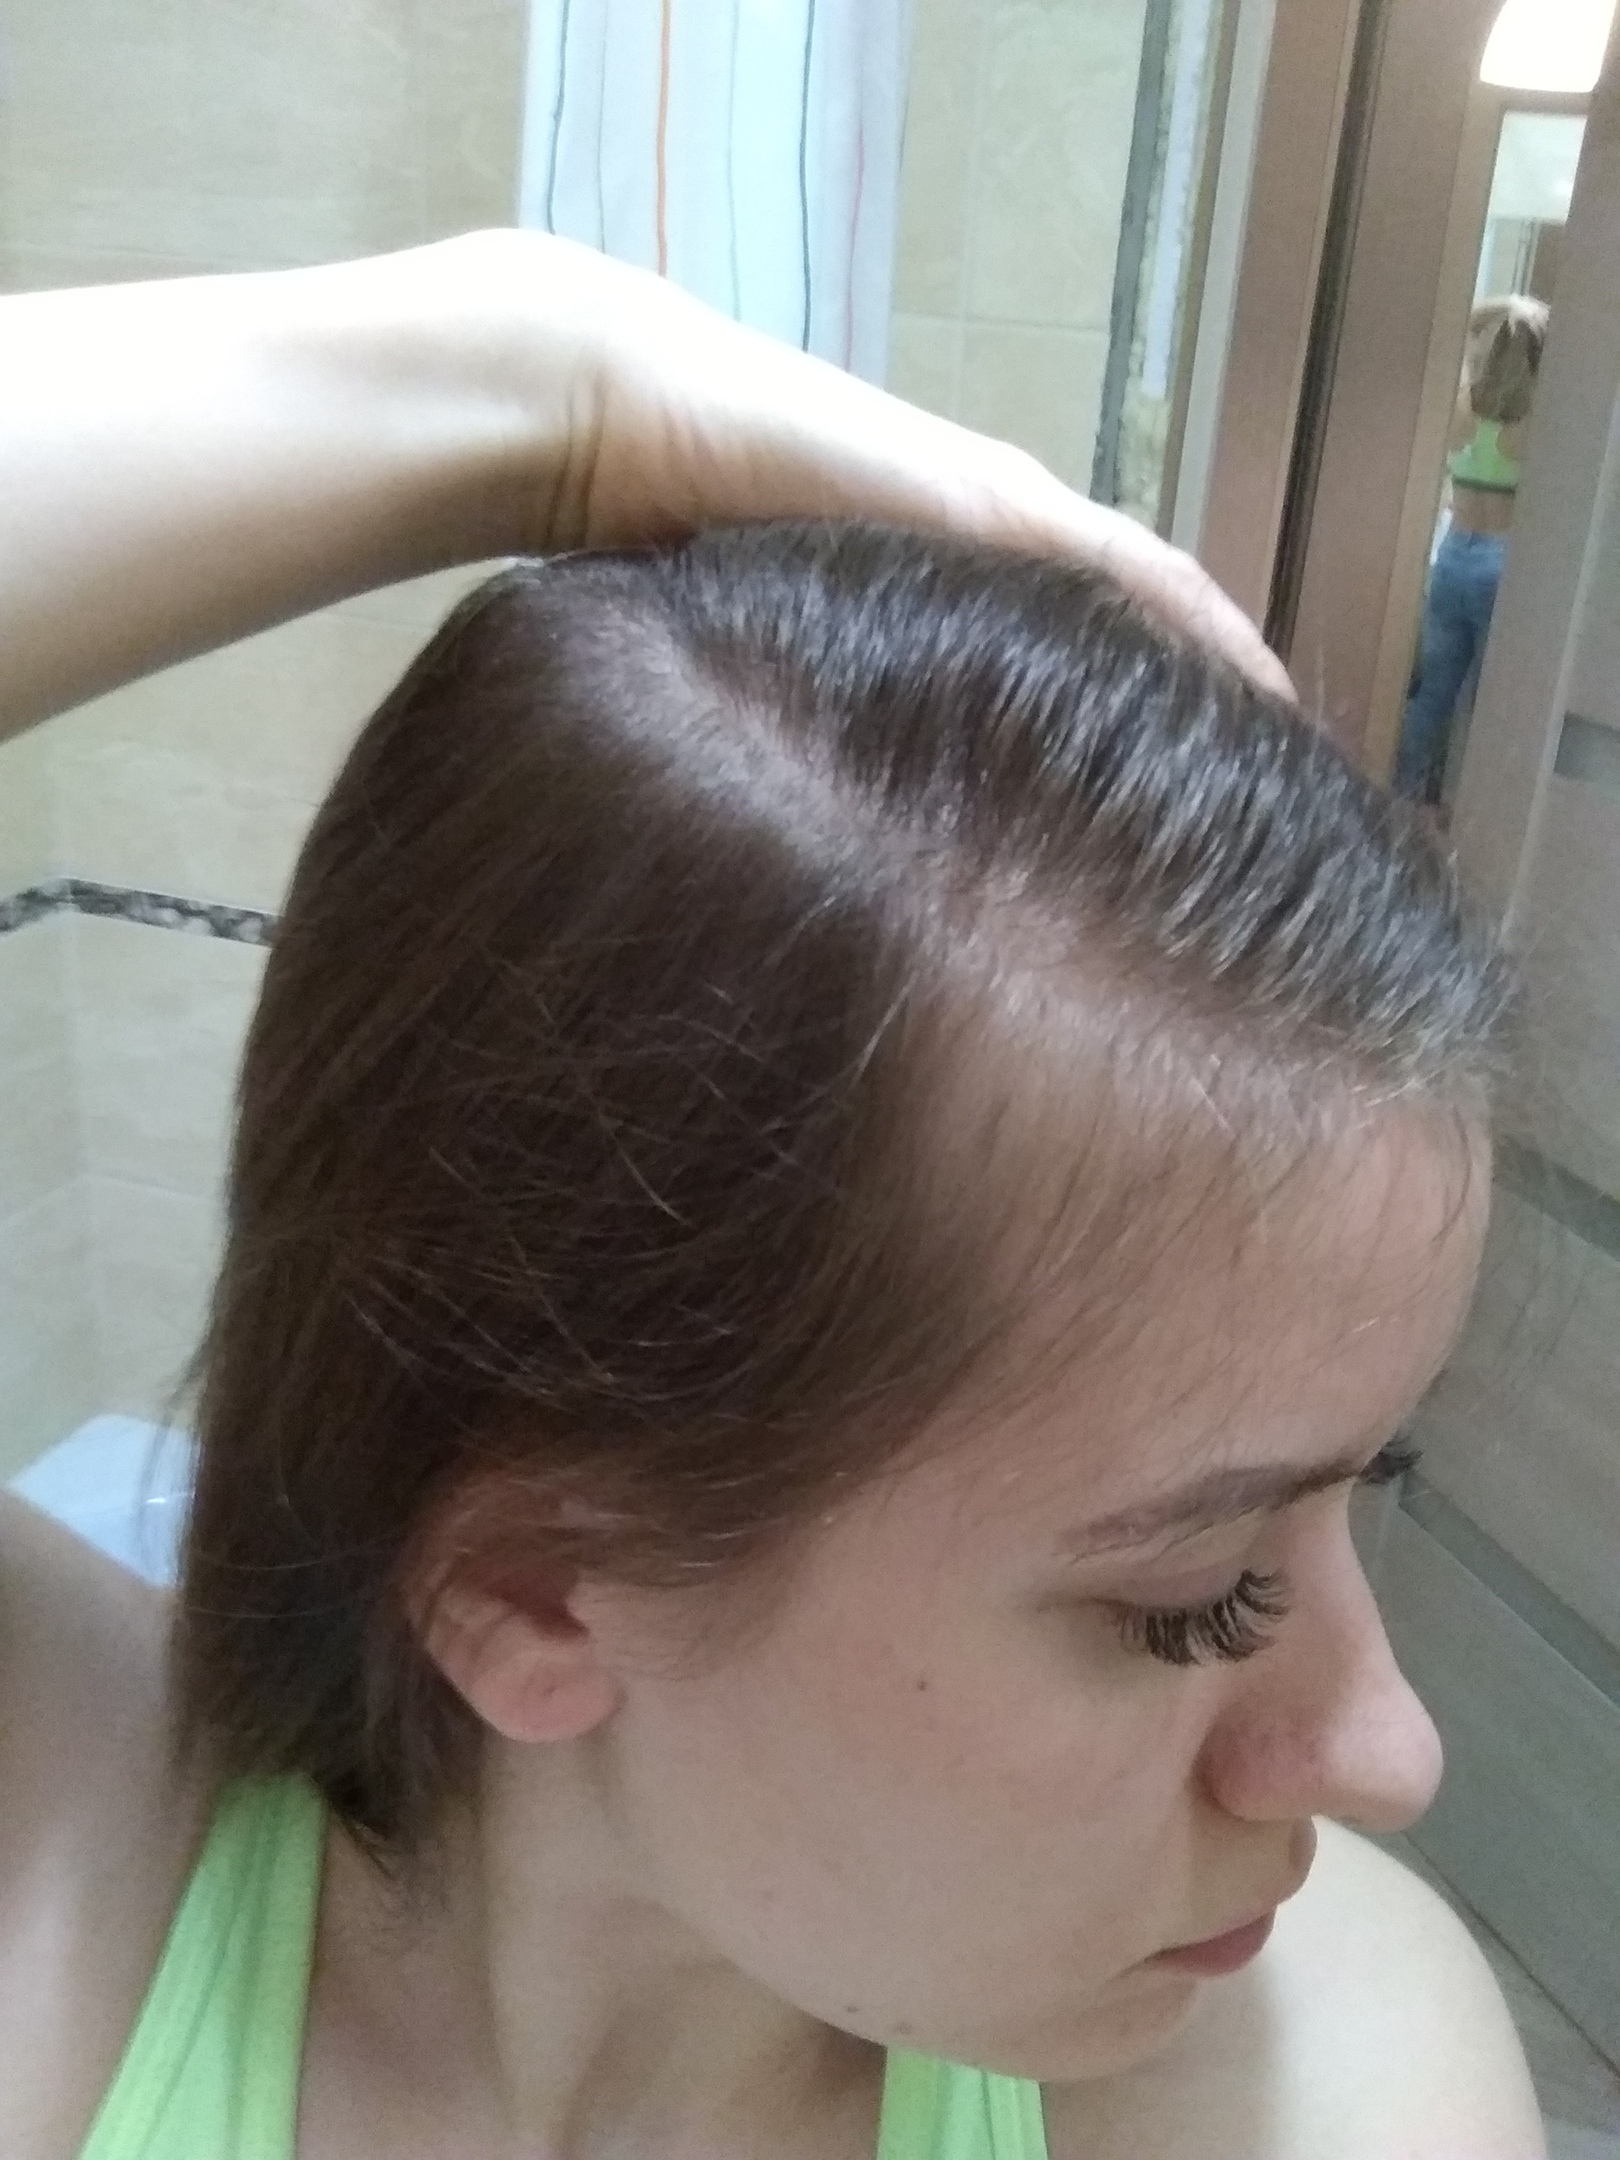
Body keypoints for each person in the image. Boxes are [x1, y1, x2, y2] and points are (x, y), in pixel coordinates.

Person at [0, 231, 1545, 2160]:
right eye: (1191, 1600)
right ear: (533, 1587)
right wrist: (529, 373)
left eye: (1357, 1494)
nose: (1390, 1751)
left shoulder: (1328, 2090)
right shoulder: (55, 1887)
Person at [1393, 295, 1550, 806]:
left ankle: (1401, 793)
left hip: (1452, 559)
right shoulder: (1535, 424)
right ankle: (1466, 807)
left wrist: (1509, 310)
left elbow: (1465, 321)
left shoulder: (1459, 410)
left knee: (1432, 694)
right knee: (1485, 704)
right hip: (1502, 566)